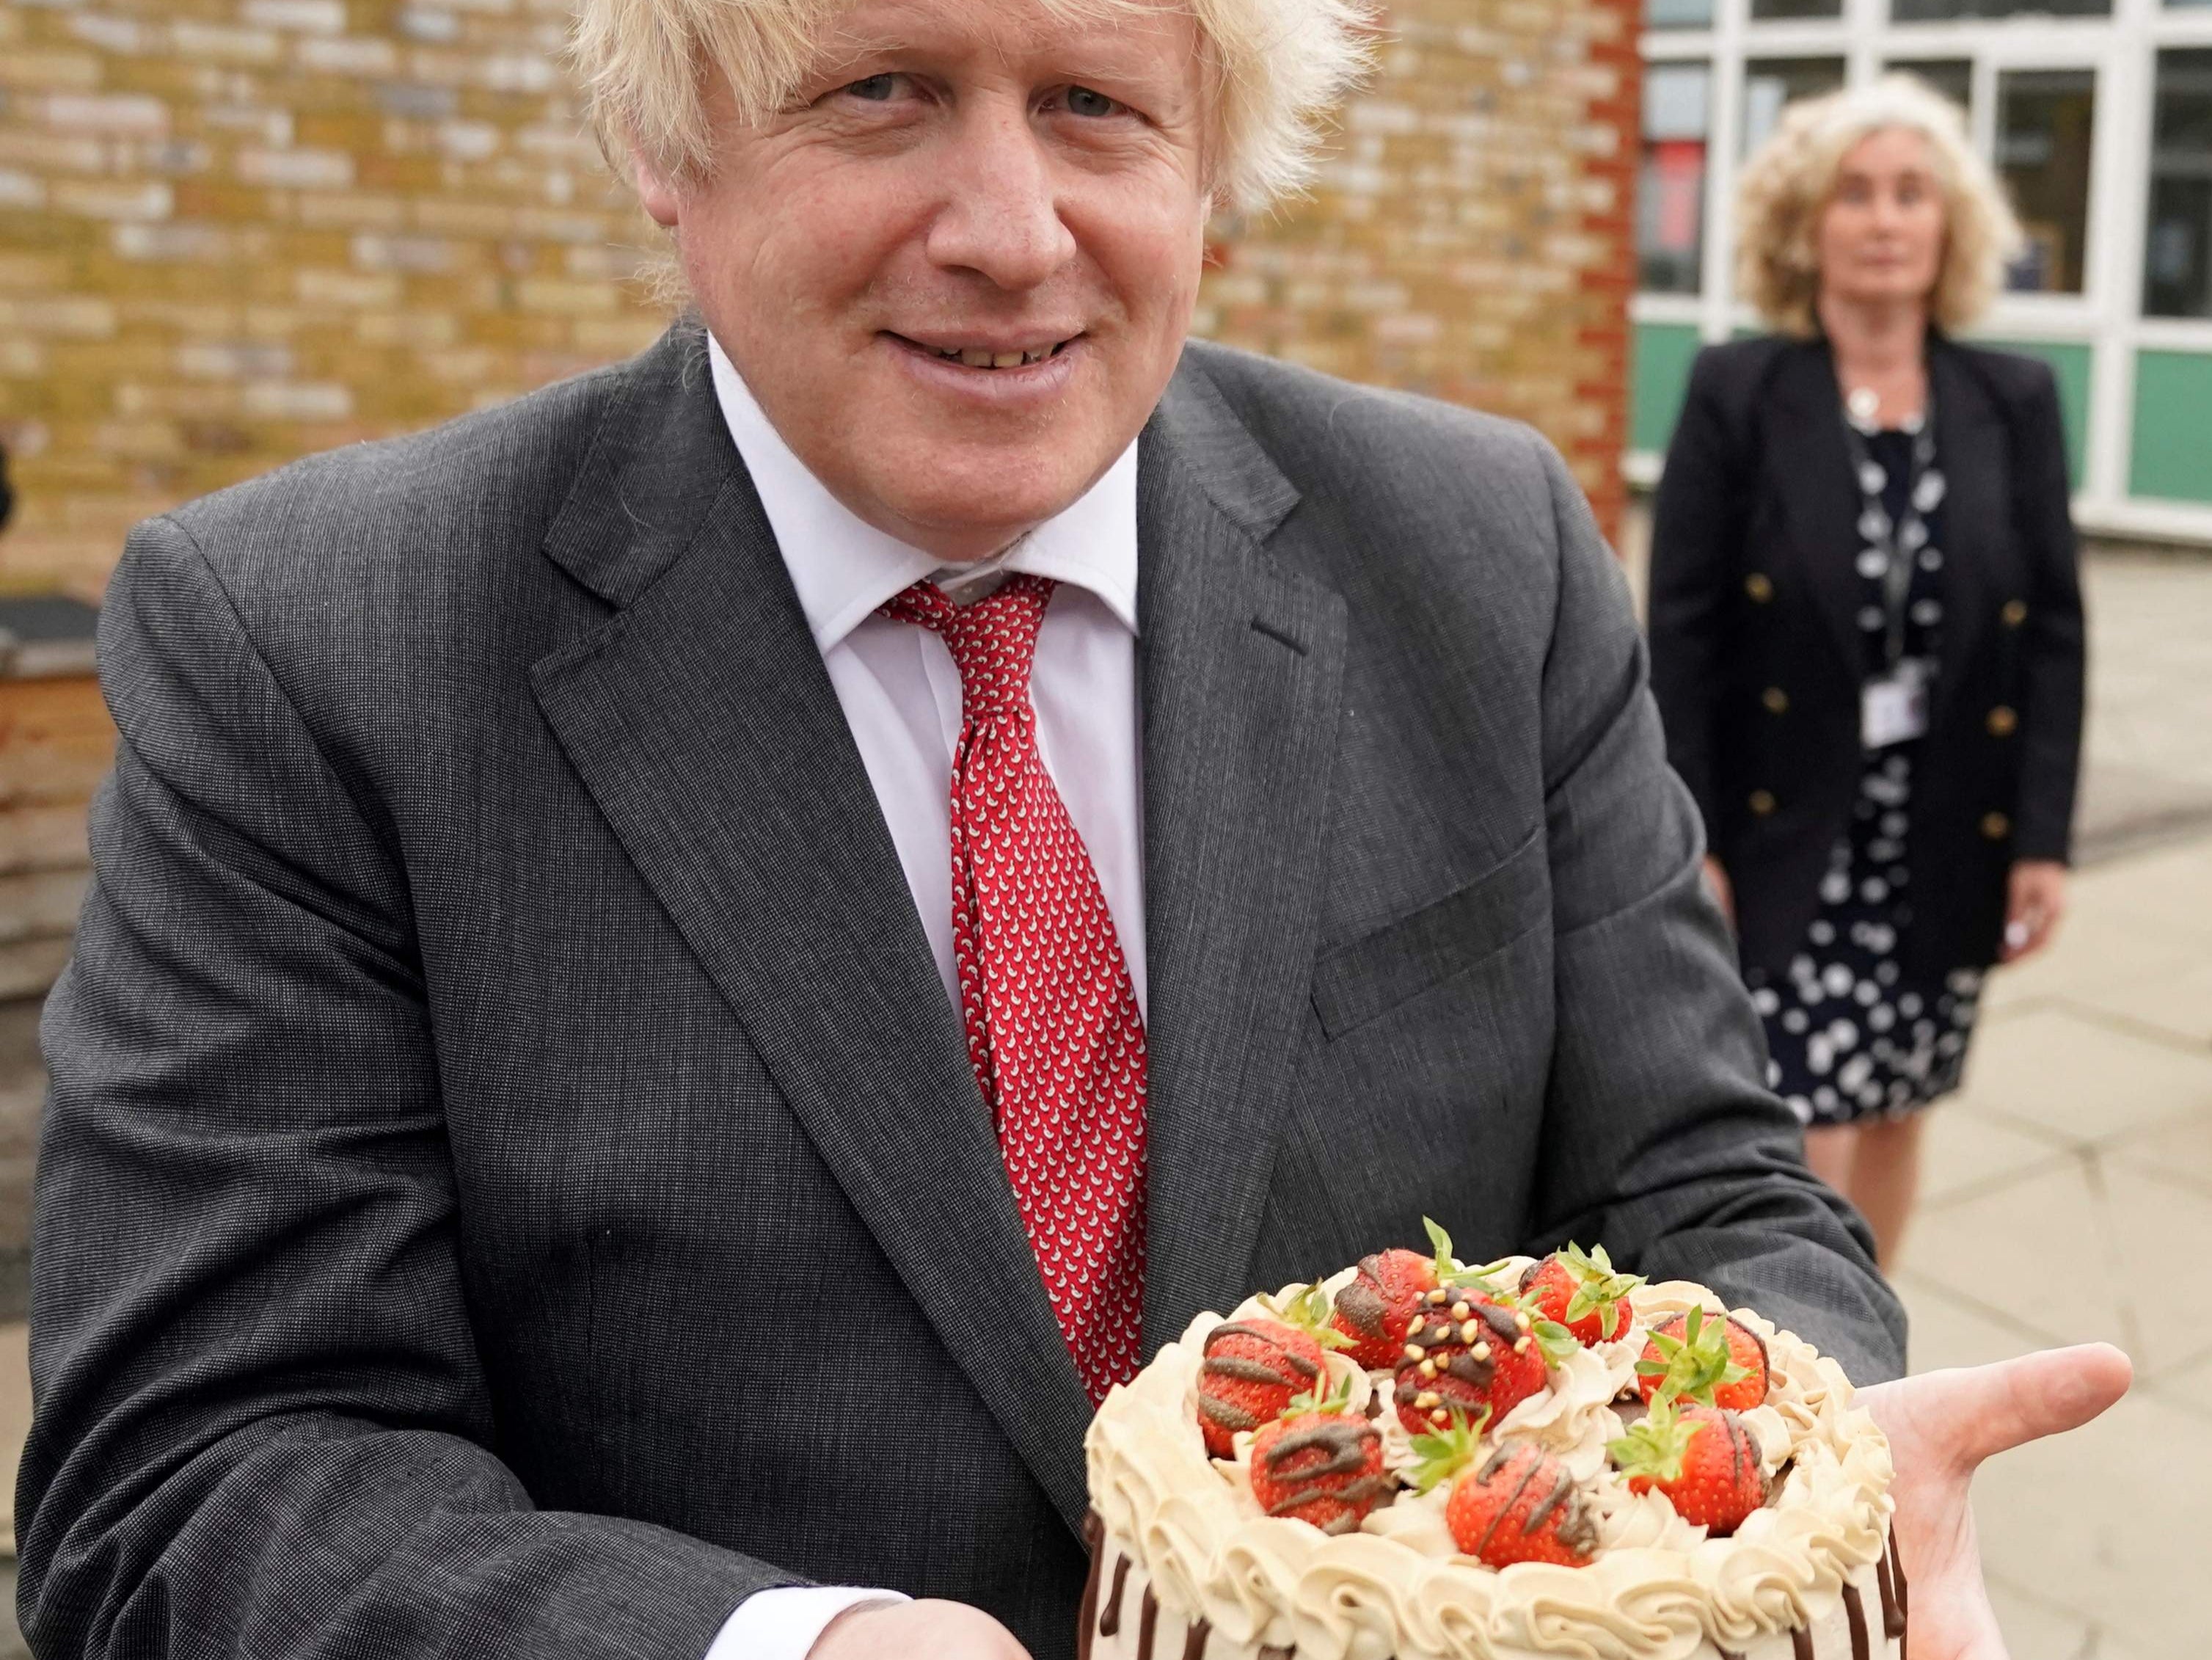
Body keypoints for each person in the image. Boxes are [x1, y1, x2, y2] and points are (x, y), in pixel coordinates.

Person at [20, 7, 2121, 1659]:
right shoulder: (316, 644)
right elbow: (194, 1482)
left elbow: (1710, 1183)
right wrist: (798, 1643)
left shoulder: (1482, 552)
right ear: (669, 144)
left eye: (1101, 105)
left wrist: (1802, 1450)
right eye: (879, 89)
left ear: (1215, 156)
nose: (1012, 226)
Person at [1646, 76, 2087, 1267]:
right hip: (1789, 823)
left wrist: (2041, 834)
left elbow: (2051, 626)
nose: (1885, 219)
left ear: (1949, 227)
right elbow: (1679, 632)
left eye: (1911, 193)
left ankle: (1868, 1346)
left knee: (1900, 1099)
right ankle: (1812, 1361)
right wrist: (1693, 836)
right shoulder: (1739, 391)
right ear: (1807, 224)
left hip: (1945, 823)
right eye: (1855, 194)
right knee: (1805, 1125)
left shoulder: (2013, 399)